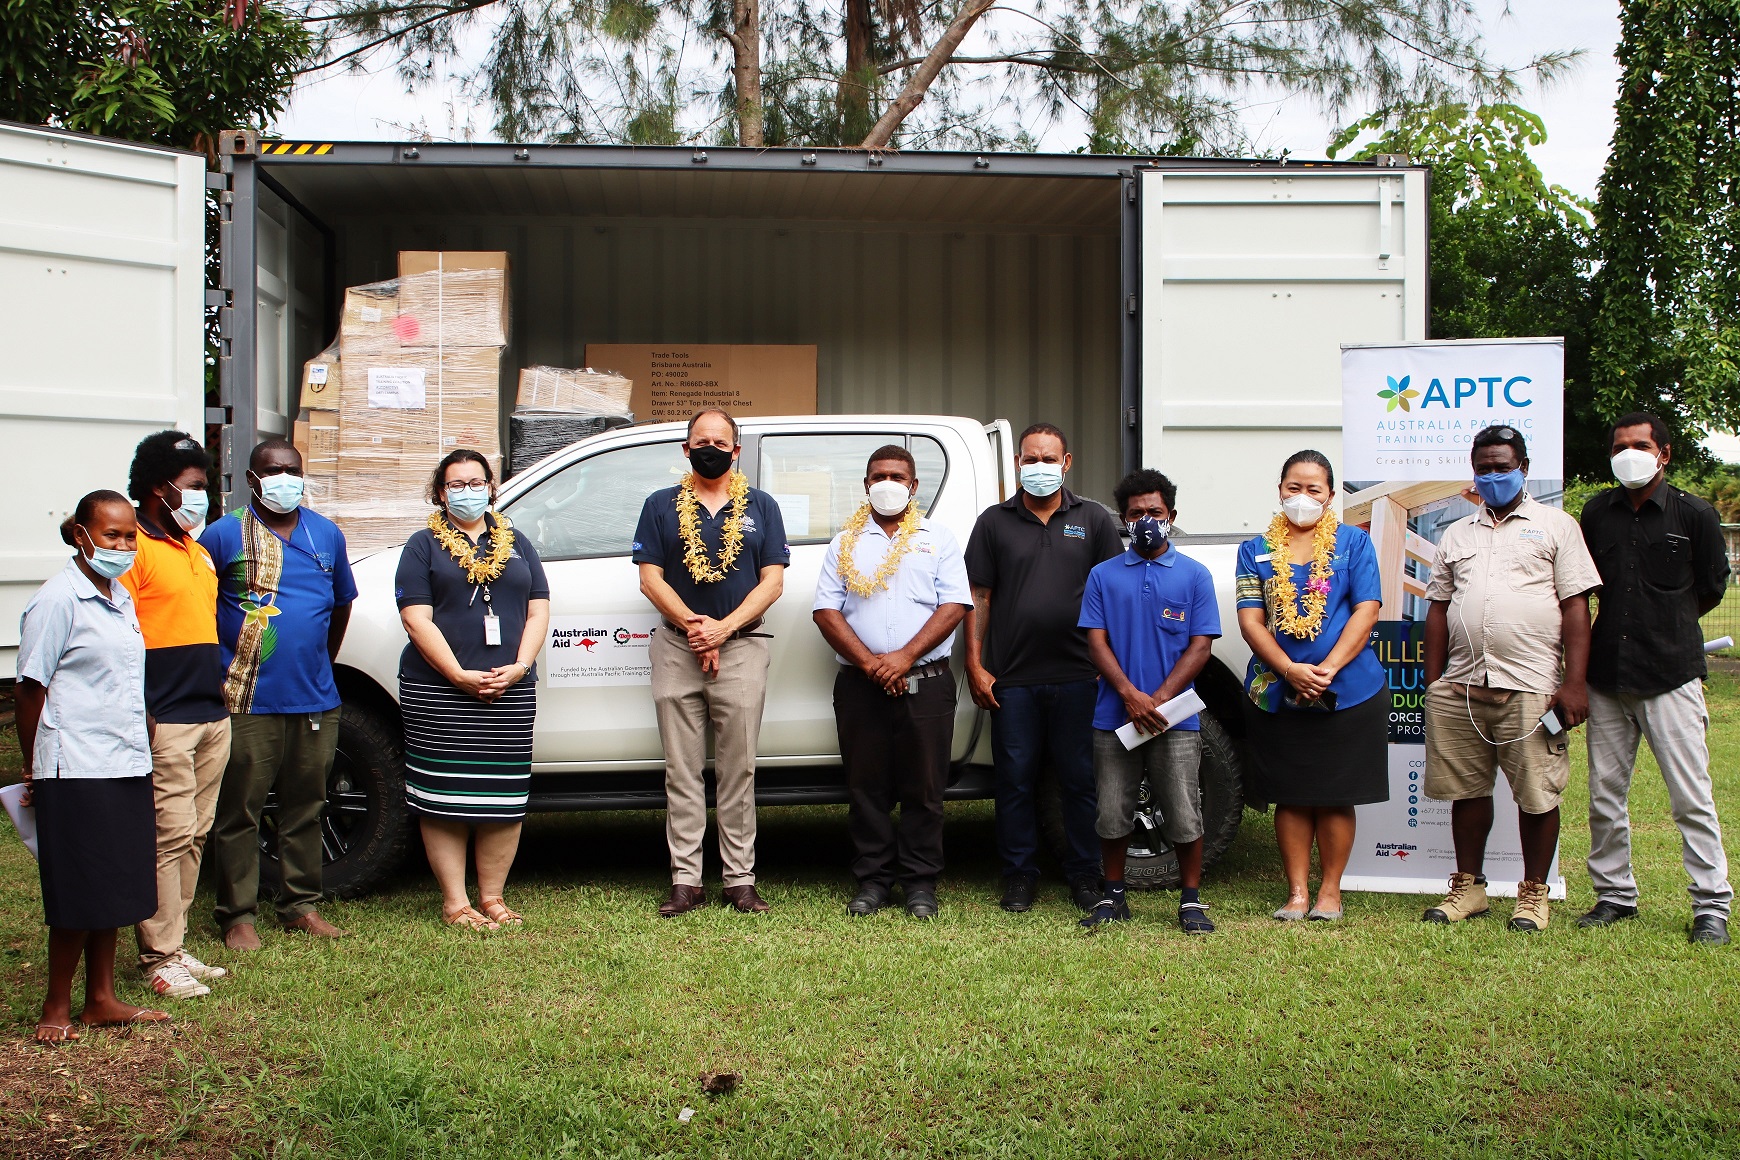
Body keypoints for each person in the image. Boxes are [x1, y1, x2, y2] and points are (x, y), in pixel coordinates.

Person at [1421, 425, 1600, 932]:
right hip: (1461, 687)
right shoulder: (1455, 533)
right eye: (1484, 468)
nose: (1493, 475)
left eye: (1502, 466)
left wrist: (1574, 683)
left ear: (1523, 465)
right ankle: (1469, 888)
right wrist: (1436, 682)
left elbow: (1575, 608)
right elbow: (1438, 609)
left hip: (1532, 686)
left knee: (1537, 794)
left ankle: (1534, 894)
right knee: (1466, 790)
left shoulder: (1556, 526)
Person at [17, 492, 170, 1042]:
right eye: (112, 535)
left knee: (114, 883)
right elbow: (31, 688)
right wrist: (36, 769)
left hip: (124, 758)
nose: (123, 545)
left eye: (130, 536)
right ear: (82, 534)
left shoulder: (120, 596)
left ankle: (101, 999)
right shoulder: (58, 600)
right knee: (80, 888)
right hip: (75, 764)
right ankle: (56, 1007)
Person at [1578, 412, 1733, 946]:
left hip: (1671, 674)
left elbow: (1711, 587)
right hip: (1606, 677)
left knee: (1691, 797)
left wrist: (1667, 623)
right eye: (1620, 445)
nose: (1629, 453)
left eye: (1641, 445)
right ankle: (1614, 895)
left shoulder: (1696, 514)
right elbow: (1588, 586)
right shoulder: (1597, 513)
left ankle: (1711, 906)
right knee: (1604, 796)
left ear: (1663, 453)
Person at [633, 409, 789, 916]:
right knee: (681, 770)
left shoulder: (761, 506)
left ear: (736, 450)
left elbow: (772, 581)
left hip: (743, 647)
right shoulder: (660, 505)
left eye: (720, 442)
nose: (711, 448)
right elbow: (650, 578)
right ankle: (686, 880)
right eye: (701, 441)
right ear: (685, 450)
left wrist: (723, 628)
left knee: (738, 770)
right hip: (678, 648)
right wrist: (696, 627)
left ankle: (739, 880)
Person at [203, 440, 357, 950]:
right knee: (240, 809)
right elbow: (201, 612)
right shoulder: (224, 536)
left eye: (293, 470)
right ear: (252, 478)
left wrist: (316, 659)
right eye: (274, 471)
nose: (285, 479)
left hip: (314, 696)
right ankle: (237, 915)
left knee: (307, 804)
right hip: (247, 699)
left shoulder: (325, 534)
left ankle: (300, 905)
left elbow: (340, 608)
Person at [964, 423, 1123, 913]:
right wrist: (975, 663)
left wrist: (1108, 667)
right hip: (1011, 679)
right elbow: (979, 598)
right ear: (1017, 463)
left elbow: (1113, 597)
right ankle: (1019, 875)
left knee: (1078, 779)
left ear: (1067, 462)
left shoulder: (1094, 520)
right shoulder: (994, 522)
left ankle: (1084, 874)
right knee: (1014, 780)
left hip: (1081, 676)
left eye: (1048, 459)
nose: (1039, 468)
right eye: (1030, 459)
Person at [813, 446, 972, 920]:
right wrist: (872, 665)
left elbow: (954, 607)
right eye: (879, 475)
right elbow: (826, 611)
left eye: (897, 476)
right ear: (866, 485)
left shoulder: (938, 539)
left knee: (925, 789)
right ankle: (873, 882)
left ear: (913, 485)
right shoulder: (844, 543)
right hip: (861, 686)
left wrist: (903, 658)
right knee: (867, 789)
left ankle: (920, 885)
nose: (888, 482)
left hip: (927, 681)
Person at [395, 450, 550, 930]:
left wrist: (521, 666)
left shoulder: (518, 541)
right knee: (443, 795)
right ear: (441, 492)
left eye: (475, 481)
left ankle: (493, 897)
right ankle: (454, 902)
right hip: (440, 690)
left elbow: (539, 608)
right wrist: (458, 675)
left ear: (492, 486)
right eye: (455, 484)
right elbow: (415, 619)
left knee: (502, 795)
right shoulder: (421, 546)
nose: (466, 491)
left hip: (510, 687)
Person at [1235, 451, 1387, 922]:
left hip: (1349, 689)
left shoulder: (1353, 545)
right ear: (1280, 489)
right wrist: (1289, 671)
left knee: (1335, 793)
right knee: (1293, 792)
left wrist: (1327, 669)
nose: (1302, 498)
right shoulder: (1254, 549)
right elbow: (1250, 620)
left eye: (1313, 489)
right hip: (1281, 692)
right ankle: (1298, 892)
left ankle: (1331, 893)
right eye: (1293, 488)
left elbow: (1367, 609)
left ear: (1330, 495)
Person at [1078, 470, 1222, 933]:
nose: (1146, 521)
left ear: (1171, 517)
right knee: (1112, 809)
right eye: (1136, 513)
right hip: (1113, 716)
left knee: (1184, 809)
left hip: (1174, 719)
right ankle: (1114, 896)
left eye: (1154, 513)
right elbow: (1096, 643)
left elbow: (1201, 646)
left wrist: (1157, 700)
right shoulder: (1103, 575)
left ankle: (1192, 902)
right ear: (1123, 519)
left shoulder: (1195, 576)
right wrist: (1129, 695)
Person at [122, 431, 231, 1000]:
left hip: (210, 713)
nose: (202, 499)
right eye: (192, 488)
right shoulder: (132, 551)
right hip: (164, 716)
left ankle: (176, 940)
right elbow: (117, 639)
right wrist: (139, 712)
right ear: (158, 489)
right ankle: (158, 956)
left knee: (196, 833)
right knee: (168, 834)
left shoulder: (198, 552)